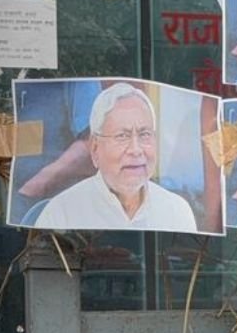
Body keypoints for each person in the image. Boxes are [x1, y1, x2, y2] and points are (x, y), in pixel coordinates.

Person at [34, 83, 198, 233]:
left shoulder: (177, 212)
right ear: (95, 148)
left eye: (144, 134)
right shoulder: (61, 213)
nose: (136, 150)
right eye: (122, 136)